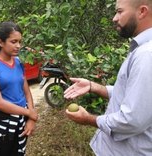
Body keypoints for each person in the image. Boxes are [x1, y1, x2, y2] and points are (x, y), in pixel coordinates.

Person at [64, 0, 152, 155]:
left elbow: (132, 121)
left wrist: (90, 119)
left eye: (119, 11)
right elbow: (131, 94)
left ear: (142, 11)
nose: (114, 18)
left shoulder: (147, 55)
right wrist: (94, 86)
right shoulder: (143, 49)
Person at [0, 21, 38, 156]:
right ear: (1, 42)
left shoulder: (18, 62)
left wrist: (31, 118)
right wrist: (29, 113)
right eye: (13, 42)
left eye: (20, 41)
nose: (18, 46)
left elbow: (27, 93)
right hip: (3, 124)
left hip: (21, 121)